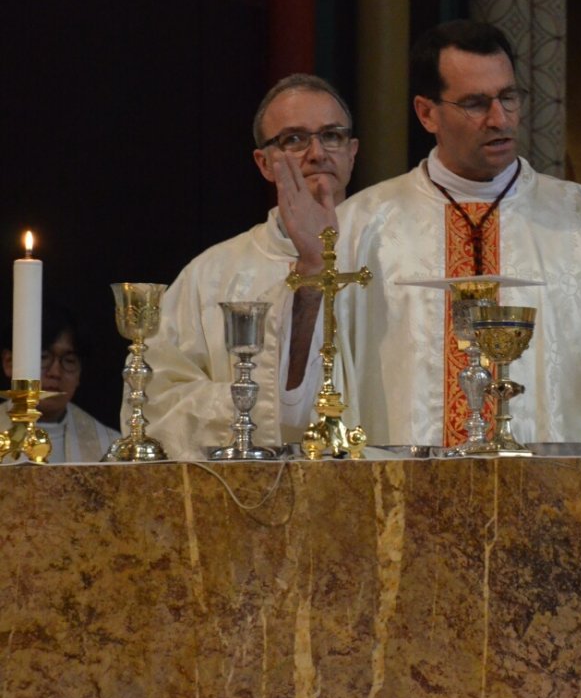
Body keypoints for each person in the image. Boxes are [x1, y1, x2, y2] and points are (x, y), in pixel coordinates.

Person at [335, 20, 581, 446]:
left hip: (554, 497)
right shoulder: (365, 226)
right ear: (427, 113)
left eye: (509, 97)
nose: (500, 119)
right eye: (476, 104)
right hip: (407, 496)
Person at [137, 74, 359, 459]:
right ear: (264, 163)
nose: (317, 153)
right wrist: (263, 406)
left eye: (332, 135)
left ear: (352, 151)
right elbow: (157, 403)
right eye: (294, 139)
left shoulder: (394, 250)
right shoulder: (212, 275)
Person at [2, 303, 120, 462]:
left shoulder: (111, 448)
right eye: (43, 357)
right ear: (9, 363)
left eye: (69, 361)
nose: (55, 372)